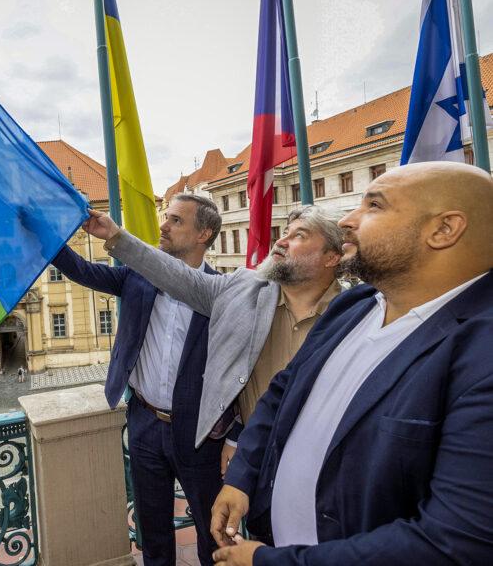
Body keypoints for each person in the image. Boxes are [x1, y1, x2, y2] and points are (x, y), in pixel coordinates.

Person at [210, 162, 493, 565]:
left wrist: (268, 562)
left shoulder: (481, 350)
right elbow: (282, 392)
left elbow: (453, 543)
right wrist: (241, 478)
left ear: (444, 229)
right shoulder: (355, 304)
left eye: (373, 206)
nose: (347, 220)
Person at [84, 204, 344, 474]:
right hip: (258, 459)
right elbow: (176, 275)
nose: (281, 241)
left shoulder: (356, 315)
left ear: (332, 257)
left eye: (299, 236)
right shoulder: (243, 289)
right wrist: (116, 236)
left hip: (324, 463)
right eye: (285, 232)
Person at [52, 193, 231, 566]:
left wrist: (232, 436)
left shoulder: (223, 294)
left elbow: (238, 370)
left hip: (199, 432)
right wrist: (48, 236)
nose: (163, 226)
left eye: (176, 221)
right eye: (166, 218)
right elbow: (84, 271)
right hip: (146, 422)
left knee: (209, 528)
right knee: (152, 529)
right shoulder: (140, 274)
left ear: (204, 234)